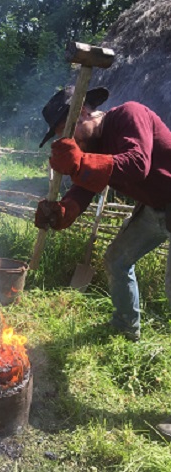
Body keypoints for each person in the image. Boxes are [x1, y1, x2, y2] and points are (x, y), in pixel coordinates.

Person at [35, 85, 171, 437]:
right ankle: (127, 325)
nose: (67, 143)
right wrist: (62, 211)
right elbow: (86, 186)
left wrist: (79, 162)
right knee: (116, 260)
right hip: (158, 209)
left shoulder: (129, 113)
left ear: (81, 114)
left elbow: (136, 165)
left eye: (65, 132)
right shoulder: (95, 145)